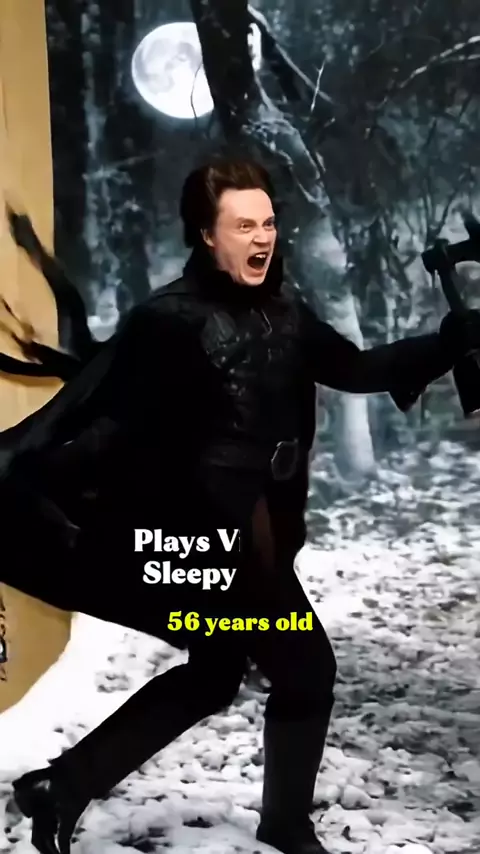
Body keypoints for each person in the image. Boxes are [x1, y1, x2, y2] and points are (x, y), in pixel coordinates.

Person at [3, 157, 480, 854]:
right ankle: (285, 824)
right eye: (243, 226)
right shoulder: (167, 322)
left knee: (214, 673)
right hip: (201, 543)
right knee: (306, 669)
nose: (261, 238)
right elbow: (91, 418)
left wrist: (444, 345)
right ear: (206, 234)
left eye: (268, 223)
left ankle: (62, 786)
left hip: (255, 538)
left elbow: (353, 367)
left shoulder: (282, 312)